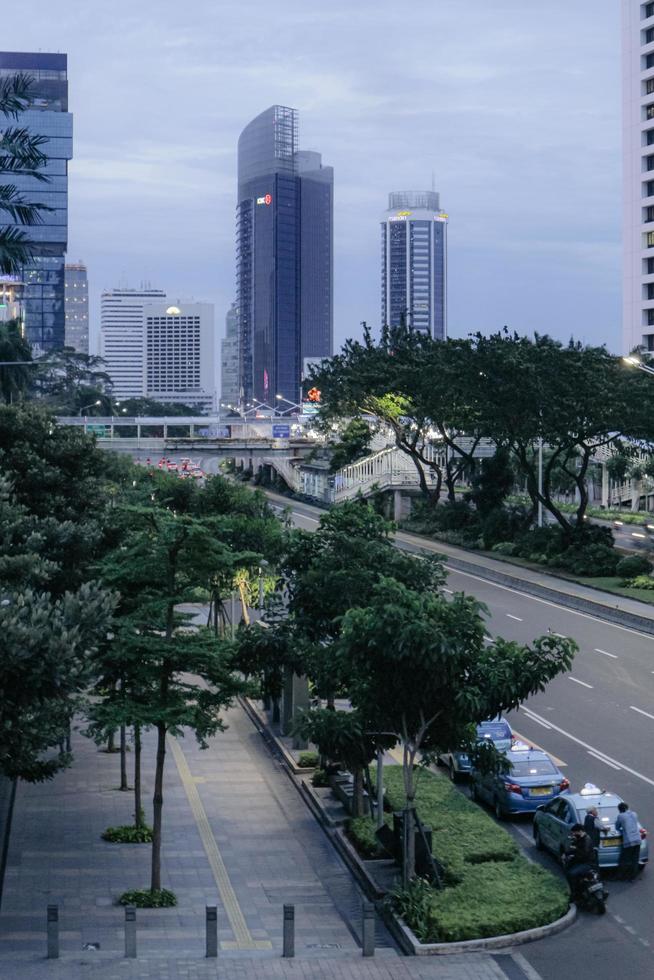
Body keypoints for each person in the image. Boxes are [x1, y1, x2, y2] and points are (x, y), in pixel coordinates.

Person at [564, 824, 596, 900]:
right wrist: (567, 853)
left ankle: (575, 894)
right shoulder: (580, 839)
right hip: (582, 862)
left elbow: (583, 853)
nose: (574, 835)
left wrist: (574, 853)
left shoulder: (586, 840)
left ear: (580, 831)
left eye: (574, 833)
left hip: (586, 863)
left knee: (571, 874)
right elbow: (574, 849)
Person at [615, 802, 641, 881]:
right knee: (635, 859)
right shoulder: (634, 814)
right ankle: (633, 876)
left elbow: (617, 826)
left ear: (620, 810)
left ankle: (622, 876)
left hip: (629, 841)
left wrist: (622, 830)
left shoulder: (620, 816)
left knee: (624, 859)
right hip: (637, 839)